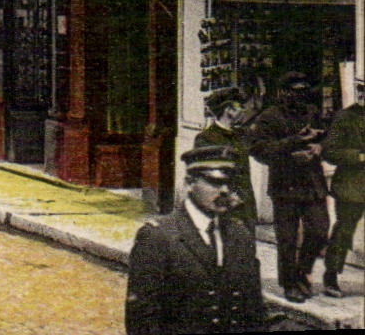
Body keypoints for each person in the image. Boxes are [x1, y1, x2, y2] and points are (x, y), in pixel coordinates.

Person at [123, 145, 264, 334]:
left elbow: (253, 309)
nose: (224, 190)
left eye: (229, 183)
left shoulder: (240, 235)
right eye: (214, 182)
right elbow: (142, 320)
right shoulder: (158, 237)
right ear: (190, 183)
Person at [249, 70, 329, 302]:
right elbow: (259, 150)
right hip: (285, 185)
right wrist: (294, 145)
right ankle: (289, 283)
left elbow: (326, 137)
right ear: (283, 93)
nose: (301, 96)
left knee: (319, 231)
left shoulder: (312, 113)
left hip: (313, 183)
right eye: (296, 92)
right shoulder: (269, 117)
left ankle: (302, 270)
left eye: (305, 91)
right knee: (287, 239)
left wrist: (318, 148)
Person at [321, 75, 365, 298]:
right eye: (361, 91)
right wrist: (359, 156)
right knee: (343, 233)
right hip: (351, 187)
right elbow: (329, 151)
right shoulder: (345, 117)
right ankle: (331, 276)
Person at [194, 88, 257, 228]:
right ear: (229, 109)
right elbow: (205, 175)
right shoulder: (205, 138)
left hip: (245, 208)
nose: (243, 110)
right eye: (239, 106)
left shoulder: (242, 135)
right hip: (222, 208)